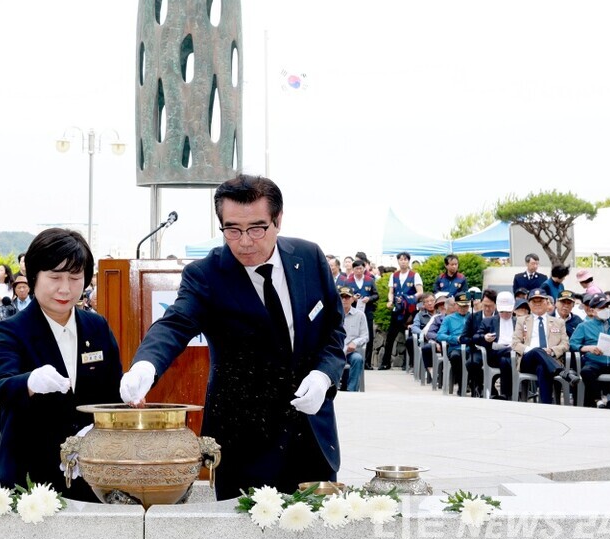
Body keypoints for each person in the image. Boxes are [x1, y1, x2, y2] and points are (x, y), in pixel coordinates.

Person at [119, 175, 346, 500]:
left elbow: (333, 331)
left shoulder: (309, 258)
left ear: (277, 220)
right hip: (245, 444)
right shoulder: (207, 275)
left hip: (312, 437)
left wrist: (324, 376)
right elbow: (176, 323)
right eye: (232, 230)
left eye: (257, 228)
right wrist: (145, 366)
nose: (245, 241)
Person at [0, 228, 122, 500]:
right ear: (34, 277)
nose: (65, 288)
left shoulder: (97, 327)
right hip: (31, 478)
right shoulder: (12, 331)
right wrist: (29, 382)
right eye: (55, 277)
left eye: (75, 278)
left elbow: (113, 395)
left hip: (91, 476)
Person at [570, 294, 610, 408]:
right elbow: (573, 343)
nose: (605, 310)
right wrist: (588, 348)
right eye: (601, 308)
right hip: (595, 360)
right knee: (586, 372)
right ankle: (597, 399)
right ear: (593, 311)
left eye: (607, 307)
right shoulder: (584, 326)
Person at [511, 288, 572, 404]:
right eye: (534, 301)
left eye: (541, 301)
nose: (537, 303)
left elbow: (565, 344)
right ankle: (562, 372)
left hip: (550, 360)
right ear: (529, 304)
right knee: (537, 351)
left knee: (542, 367)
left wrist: (552, 351)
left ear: (547, 302)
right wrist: (534, 350)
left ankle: (546, 404)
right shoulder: (521, 320)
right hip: (528, 360)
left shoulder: (558, 322)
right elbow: (515, 343)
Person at [382, 252, 422, 370]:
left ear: (408, 261)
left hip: (410, 311)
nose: (403, 261)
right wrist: (390, 301)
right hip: (397, 310)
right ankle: (385, 363)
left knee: (409, 336)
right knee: (390, 337)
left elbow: (420, 292)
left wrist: (408, 299)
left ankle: (409, 364)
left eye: (405, 259)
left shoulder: (415, 275)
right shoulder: (393, 276)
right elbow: (391, 291)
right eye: (401, 259)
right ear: (398, 261)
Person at [338, 287, 368, 392]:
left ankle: (352, 390)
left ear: (352, 299)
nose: (344, 300)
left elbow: (365, 336)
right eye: (342, 297)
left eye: (347, 297)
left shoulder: (360, 315)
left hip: (351, 352)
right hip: (336, 351)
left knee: (357, 359)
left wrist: (355, 342)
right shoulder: (333, 314)